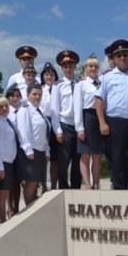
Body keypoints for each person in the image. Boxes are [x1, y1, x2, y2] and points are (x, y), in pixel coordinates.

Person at [94, 39, 128, 190]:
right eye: (119, 56)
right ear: (114, 59)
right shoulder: (106, 77)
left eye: (125, 55)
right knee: (117, 157)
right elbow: (99, 101)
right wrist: (102, 122)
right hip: (114, 122)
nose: (122, 58)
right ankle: (120, 189)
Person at [51, 50, 81, 189]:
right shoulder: (58, 86)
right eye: (65, 67)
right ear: (62, 69)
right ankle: (63, 187)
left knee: (78, 159)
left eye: (70, 66)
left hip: (79, 126)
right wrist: (57, 130)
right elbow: (55, 110)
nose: (68, 69)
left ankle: (76, 187)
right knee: (63, 160)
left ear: (75, 67)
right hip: (65, 125)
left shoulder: (80, 84)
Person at [17, 81, 51, 204]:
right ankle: (28, 210)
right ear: (27, 95)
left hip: (40, 151)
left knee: (35, 181)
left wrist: (46, 149)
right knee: (31, 182)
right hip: (31, 151)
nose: (37, 97)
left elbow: (44, 132)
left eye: (39, 94)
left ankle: (31, 208)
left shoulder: (39, 111)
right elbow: (23, 130)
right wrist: (27, 149)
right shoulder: (25, 110)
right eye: (34, 94)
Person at [74, 55, 104, 189]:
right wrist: (79, 127)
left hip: (100, 118)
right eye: (90, 66)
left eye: (96, 66)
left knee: (97, 154)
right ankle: (87, 185)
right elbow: (77, 106)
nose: (93, 68)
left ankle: (96, 184)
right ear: (86, 68)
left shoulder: (102, 83)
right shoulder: (81, 84)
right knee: (85, 154)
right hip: (87, 118)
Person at [0, 96, 18, 230]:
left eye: (6, 106)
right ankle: (3, 223)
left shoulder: (7, 121)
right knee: (2, 195)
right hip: (3, 161)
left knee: (3, 194)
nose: (5, 108)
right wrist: (0, 166)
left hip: (10, 161)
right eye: (1, 106)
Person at [39, 62, 60, 192]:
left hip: (57, 123)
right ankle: (44, 186)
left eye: (52, 74)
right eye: (47, 74)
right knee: (43, 157)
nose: (49, 77)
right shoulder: (39, 90)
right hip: (43, 123)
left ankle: (53, 186)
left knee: (55, 158)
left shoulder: (59, 88)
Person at [5, 84, 23, 217]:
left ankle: (16, 206)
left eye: (17, 96)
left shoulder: (24, 110)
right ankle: (9, 207)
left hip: (21, 148)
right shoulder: (6, 111)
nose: (15, 98)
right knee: (9, 180)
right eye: (12, 96)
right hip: (9, 148)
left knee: (18, 179)